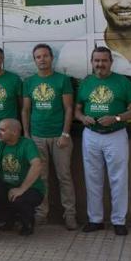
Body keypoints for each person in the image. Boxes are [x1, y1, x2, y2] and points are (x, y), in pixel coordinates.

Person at [76, 46, 131, 236]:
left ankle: (119, 221)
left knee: (118, 178)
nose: (100, 64)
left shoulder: (122, 81)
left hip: (116, 135)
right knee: (92, 178)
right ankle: (95, 220)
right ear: (91, 62)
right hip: (91, 135)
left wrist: (117, 118)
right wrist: (82, 118)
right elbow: (77, 109)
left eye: (104, 60)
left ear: (111, 62)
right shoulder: (86, 82)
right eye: (96, 60)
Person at [21, 43, 76, 230]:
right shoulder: (29, 82)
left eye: (45, 56)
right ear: (34, 60)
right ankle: (41, 214)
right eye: (38, 57)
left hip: (60, 137)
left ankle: (70, 215)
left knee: (64, 177)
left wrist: (65, 133)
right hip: (37, 136)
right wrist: (26, 134)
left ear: (52, 58)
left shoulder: (62, 80)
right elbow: (26, 109)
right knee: (41, 178)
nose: (42, 59)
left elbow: (69, 109)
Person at [0, 119, 44, 236]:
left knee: (19, 199)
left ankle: (27, 223)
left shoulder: (27, 144)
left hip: (31, 189)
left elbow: (37, 164)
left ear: (15, 132)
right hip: (7, 186)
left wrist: (22, 189)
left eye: (2, 130)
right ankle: (9, 220)